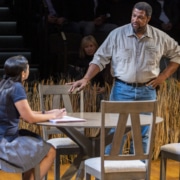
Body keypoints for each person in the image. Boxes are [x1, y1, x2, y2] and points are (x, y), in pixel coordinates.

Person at [68, 1, 180, 155]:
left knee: (143, 133)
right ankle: (110, 170)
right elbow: (99, 58)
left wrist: (163, 76)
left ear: (148, 18)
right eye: (134, 16)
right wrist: (86, 79)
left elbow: (177, 55)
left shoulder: (159, 37)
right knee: (115, 130)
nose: (135, 19)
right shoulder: (117, 34)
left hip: (147, 90)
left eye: (140, 17)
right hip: (122, 89)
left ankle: (140, 172)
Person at [0, 55, 66, 180]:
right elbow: (28, 118)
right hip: (6, 142)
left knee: (35, 152)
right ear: (23, 73)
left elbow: (25, 111)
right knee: (49, 151)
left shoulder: (3, 85)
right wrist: (54, 116)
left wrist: (47, 112)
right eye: (28, 69)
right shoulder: (17, 87)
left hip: (5, 137)